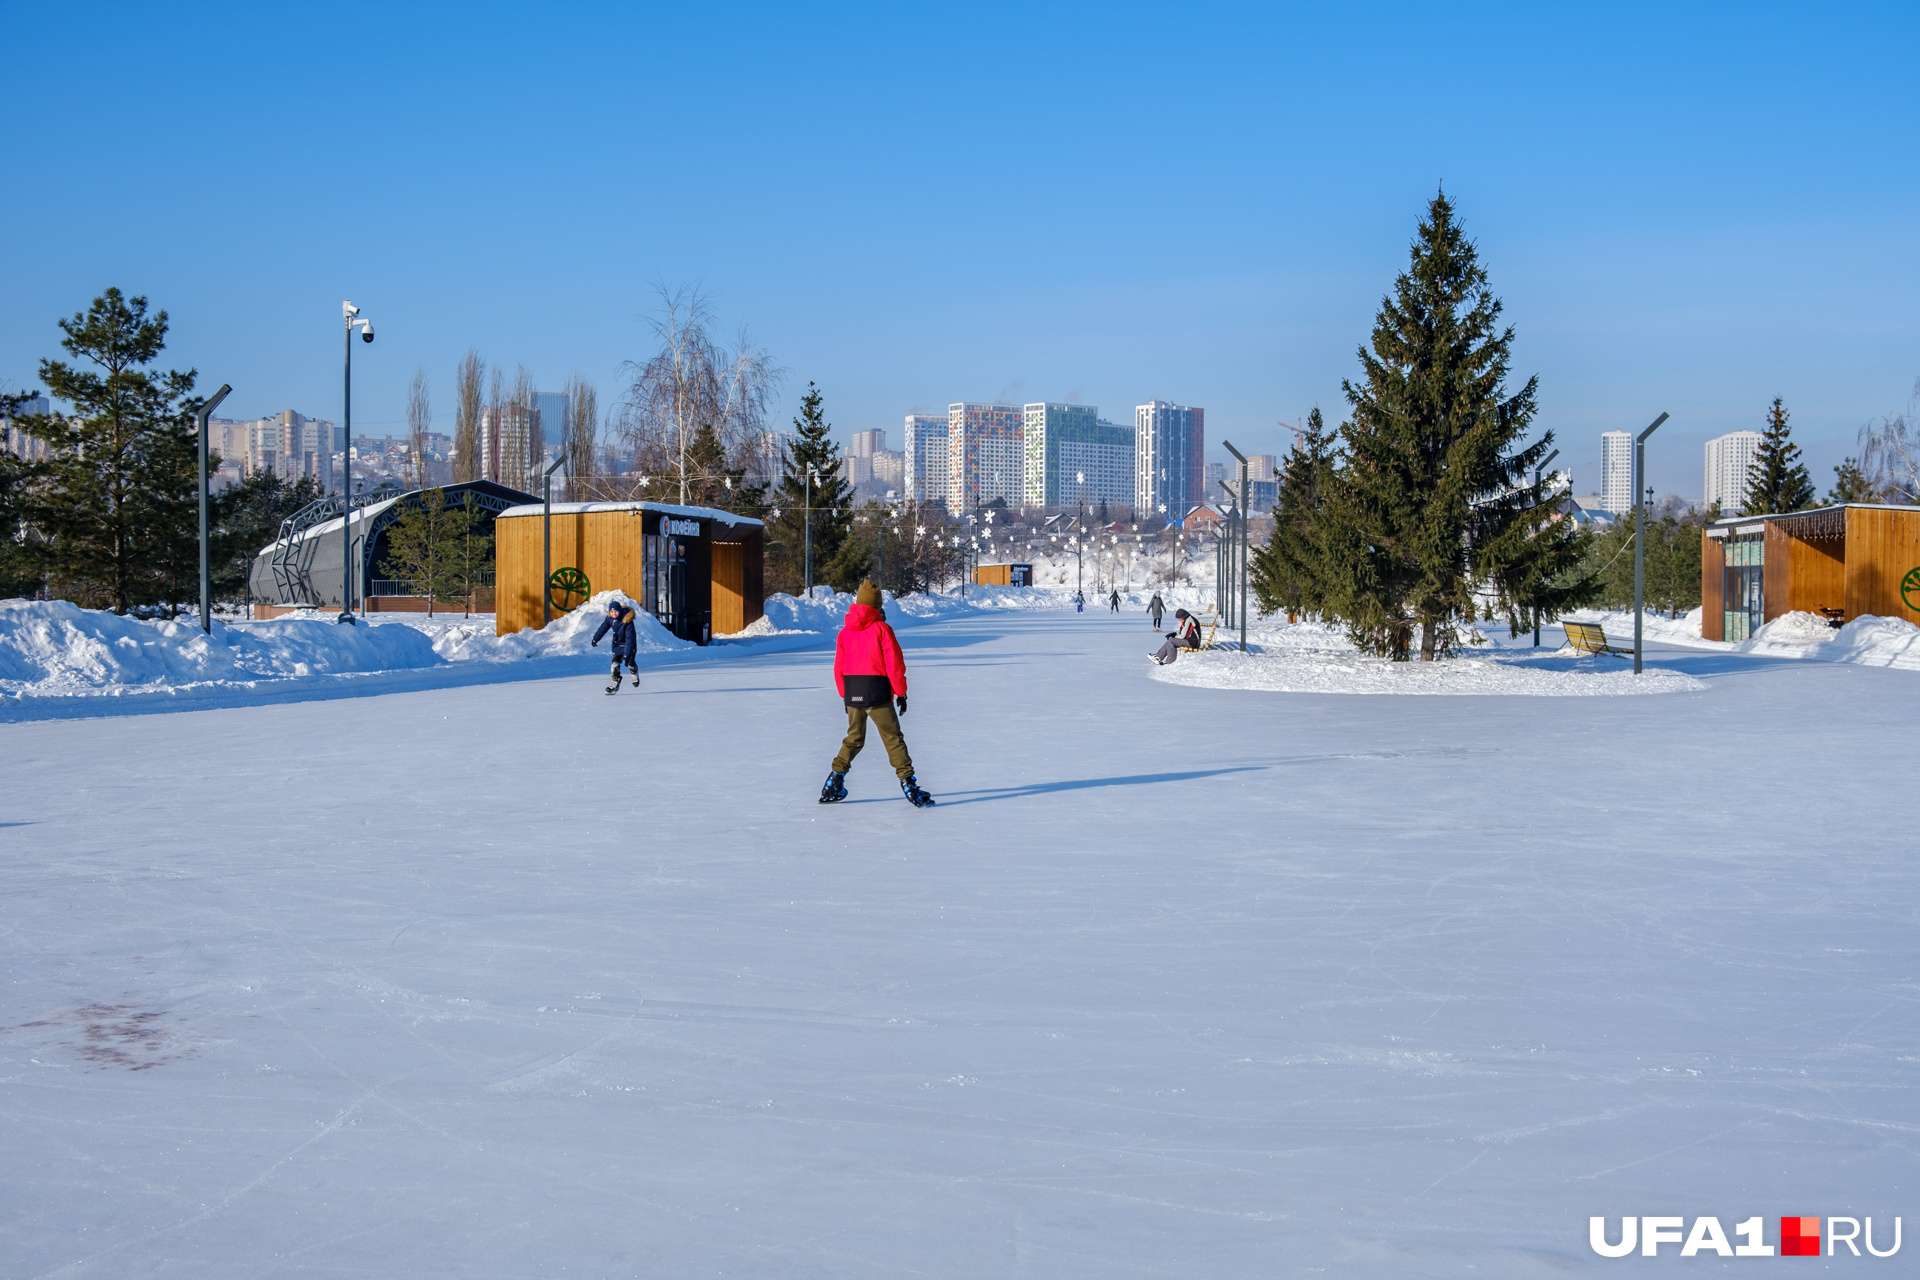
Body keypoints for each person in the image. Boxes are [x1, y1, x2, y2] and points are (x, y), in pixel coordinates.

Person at [821, 580, 935, 808]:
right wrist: (901, 693)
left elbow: (839, 668)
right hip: (878, 695)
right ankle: (910, 786)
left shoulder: (845, 633)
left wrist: (846, 695)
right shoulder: (882, 629)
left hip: (853, 695)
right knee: (893, 739)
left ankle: (833, 782)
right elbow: (894, 665)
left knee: (853, 739)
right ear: (877, 606)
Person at [591, 598, 640, 693]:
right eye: (612, 612)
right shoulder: (610, 619)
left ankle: (634, 672)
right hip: (617, 645)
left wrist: (626, 654)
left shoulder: (627, 620)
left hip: (629, 645)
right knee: (614, 664)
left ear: (620, 611)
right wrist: (595, 639)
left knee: (630, 663)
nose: (614, 614)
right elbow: (603, 628)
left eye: (616, 611)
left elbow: (630, 639)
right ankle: (615, 682)